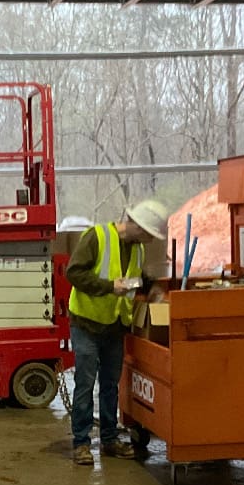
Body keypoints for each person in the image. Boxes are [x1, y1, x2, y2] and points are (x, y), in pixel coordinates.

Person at [65, 198, 169, 466]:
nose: (147, 239)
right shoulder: (96, 237)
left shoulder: (137, 250)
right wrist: (110, 286)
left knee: (110, 386)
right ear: (134, 224)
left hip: (114, 326)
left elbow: (135, 277)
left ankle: (109, 439)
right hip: (86, 323)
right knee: (85, 385)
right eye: (146, 233)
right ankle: (81, 443)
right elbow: (74, 273)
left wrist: (152, 288)